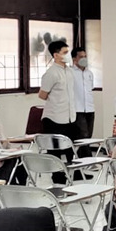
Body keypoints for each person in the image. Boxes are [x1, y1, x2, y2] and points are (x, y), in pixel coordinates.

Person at [38, 40, 78, 177]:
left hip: (69, 115)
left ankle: (75, 172)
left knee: (70, 147)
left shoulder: (69, 71)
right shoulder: (51, 73)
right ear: (56, 55)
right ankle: (57, 175)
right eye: (65, 53)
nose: (68, 55)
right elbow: (42, 95)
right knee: (55, 149)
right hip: (54, 116)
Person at [71, 46, 96, 140]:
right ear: (74, 59)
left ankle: (82, 154)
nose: (84, 59)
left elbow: (90, 90)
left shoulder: (89, 73)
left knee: (88, 136)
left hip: (90, 109)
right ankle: (86, 155)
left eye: (85, 56)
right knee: (83, 136)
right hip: (77, 109)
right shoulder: (70, 72)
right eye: (81, 57)